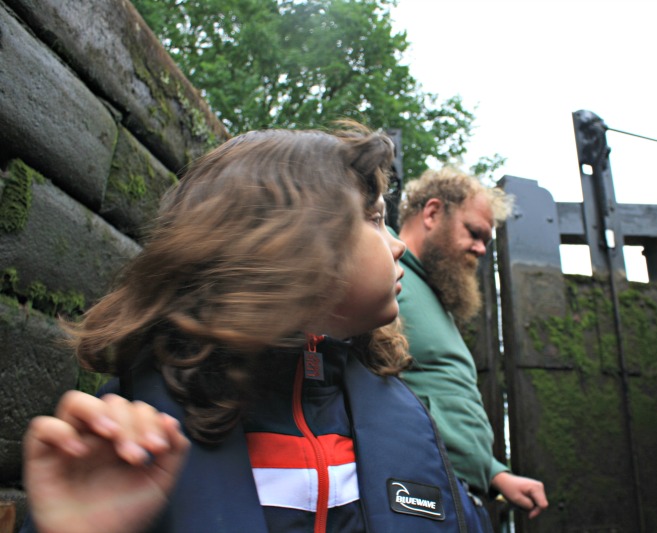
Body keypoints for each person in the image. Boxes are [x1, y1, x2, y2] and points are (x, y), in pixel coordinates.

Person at [21, 124, 486, 533]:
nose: (399, 245)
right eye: (376, 219)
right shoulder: (124, 439)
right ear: (293, 242)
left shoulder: (399, 414)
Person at [396, 167, 548, 526]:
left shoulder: (430, 293)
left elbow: (440, 394)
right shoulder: (383, 267)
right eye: (475, 233)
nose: (481, 249)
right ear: (432, 213)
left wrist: (496, 474)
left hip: (461, 494)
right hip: (418, 491)